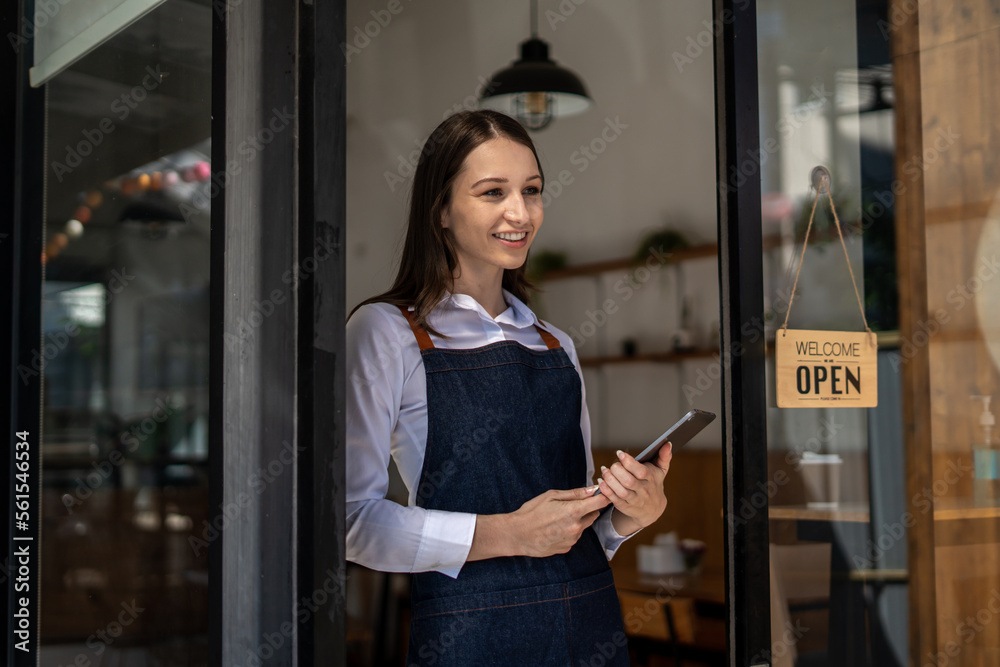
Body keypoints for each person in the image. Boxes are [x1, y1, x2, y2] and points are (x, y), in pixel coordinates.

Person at [346, 109, 673, 666]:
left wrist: (630, 514)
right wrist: (510, 534)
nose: (520, 212)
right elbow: (352, 524)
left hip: (590, 623)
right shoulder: (387, 332)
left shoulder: (555, 345)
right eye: (492, 192)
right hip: (472, 636)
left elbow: (576, 530)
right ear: (442, 211)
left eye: (532, 190)